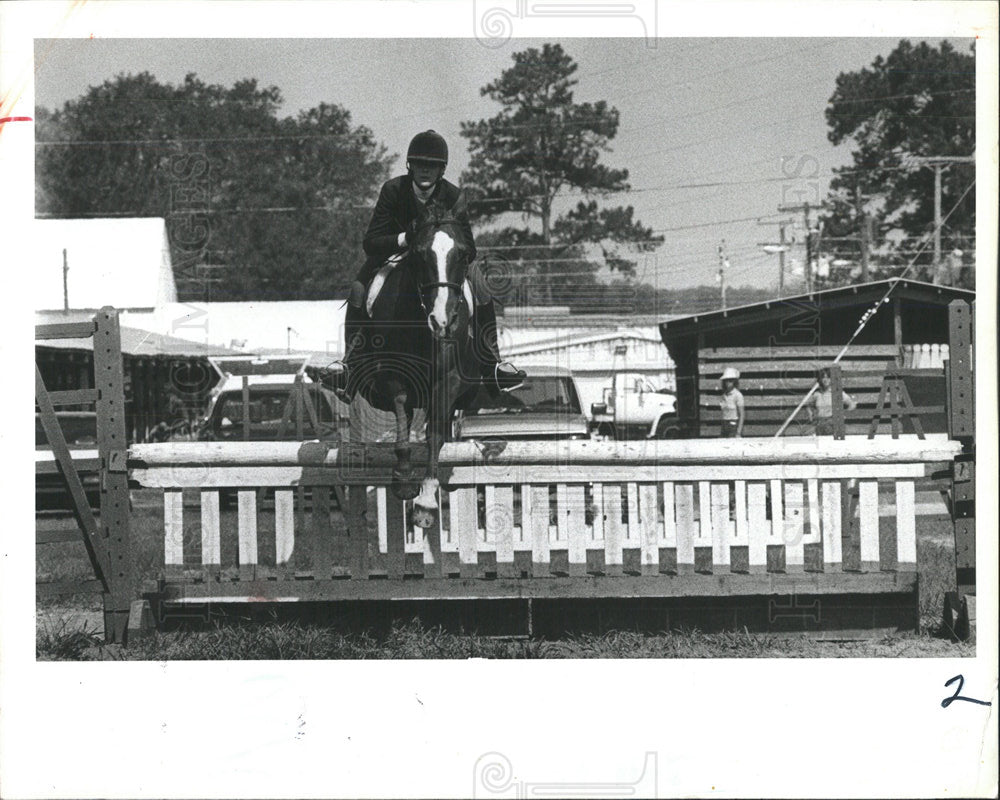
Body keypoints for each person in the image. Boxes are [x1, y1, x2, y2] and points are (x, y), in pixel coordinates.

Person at [328, 130, 525, 401]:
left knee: (481, 286)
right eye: (420, 164)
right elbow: (371, 242)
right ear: (410, 165)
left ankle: (493, 363)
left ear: (441, 170)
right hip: (396, 255)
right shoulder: (393, 190)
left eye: (431, 165)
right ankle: (349, 364)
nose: (425, 170)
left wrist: (443, 246)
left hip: (442, 260)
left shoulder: (453, 195)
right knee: (359, 289)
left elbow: (469, 245)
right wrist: (406, 239)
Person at [808, 367, 856, 435]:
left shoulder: (837, 393)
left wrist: (842, 414)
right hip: (820, 424)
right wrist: (811, 415)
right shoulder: (817, 394)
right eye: (823, 377)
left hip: (833, 424)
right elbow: (809, 406)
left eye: (828, 377)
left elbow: (852, 404)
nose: (825, 380)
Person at [719, 367, 744, 438]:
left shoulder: (738, 395)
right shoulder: (724, 395)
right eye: (726, 380)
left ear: (734, 382)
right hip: (724, 425)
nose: (728, 383)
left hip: (733, 425)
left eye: (730, 380)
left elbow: (741, 415)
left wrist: (738, 432)